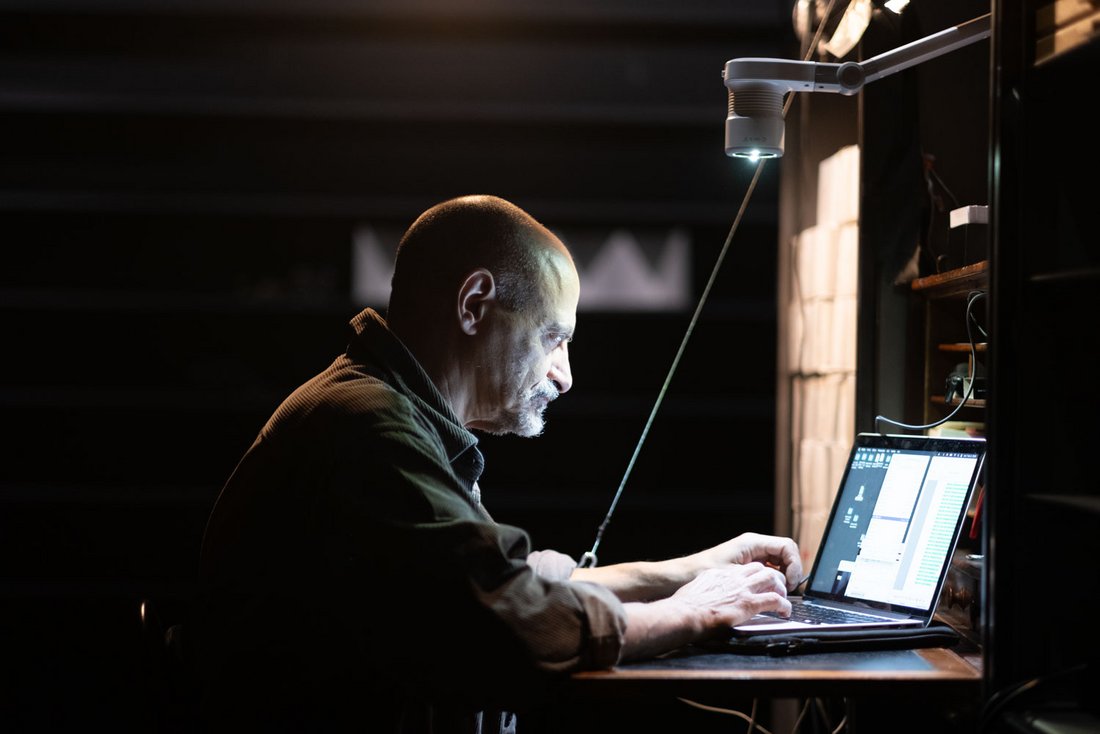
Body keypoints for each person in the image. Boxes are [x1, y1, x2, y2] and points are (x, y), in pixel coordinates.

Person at [194, 194, 802, 733]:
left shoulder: (384, 408)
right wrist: (694, 612)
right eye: (552, 338)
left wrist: (692, 571)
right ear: (475, 303)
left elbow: (511, 586)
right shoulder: (368, 426)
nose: (565, 377)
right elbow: (520, 621)